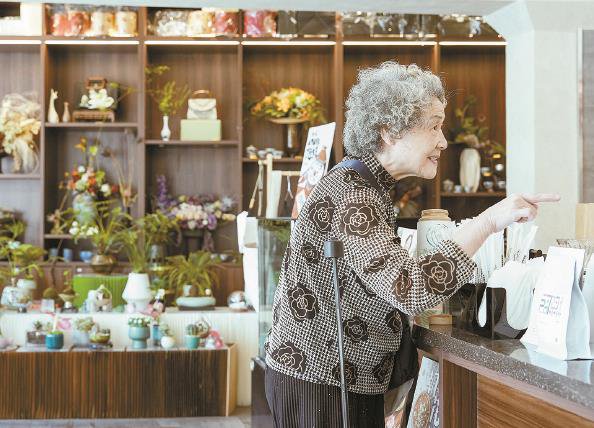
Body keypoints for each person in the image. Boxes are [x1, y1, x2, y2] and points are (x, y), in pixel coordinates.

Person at [264, 61, 559, 427]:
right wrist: (488, 222)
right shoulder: (356, 197)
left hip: (330, 377)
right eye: (434, 125)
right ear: (389, 132)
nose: (443, 140)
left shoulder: (362, 187)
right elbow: (412, 289)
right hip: (323, 381)